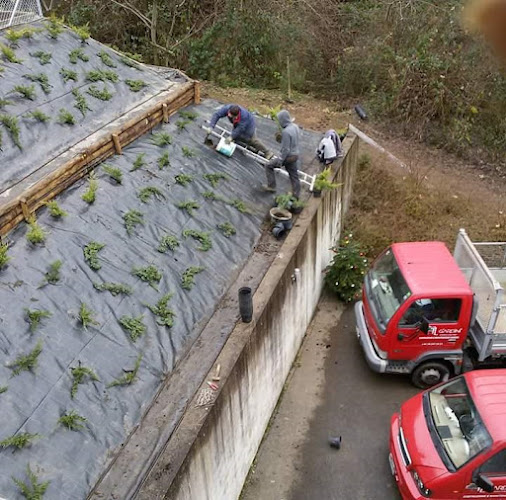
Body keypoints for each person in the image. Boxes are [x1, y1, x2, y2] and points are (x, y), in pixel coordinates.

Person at [207, 104, 273, 158]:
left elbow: (240, 128)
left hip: (248, 125)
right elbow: (217, 115)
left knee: (251, 139)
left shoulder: (244, 116)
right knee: (237, 137)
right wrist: (211, 126)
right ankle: (247, 144)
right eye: (229, 114)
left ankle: (267, 152)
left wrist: (231, 137)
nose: (229, 116)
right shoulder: (227, 108)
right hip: (237, 124)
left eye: (232, 116)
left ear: (236, 115)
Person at [263, 109, 301, 199]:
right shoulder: (295, 126)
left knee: (268, 165)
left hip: (288, 157)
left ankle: (271, 186)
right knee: (294, 175)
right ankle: (296, 195)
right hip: (295, 155)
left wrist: (280, 160)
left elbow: (286, 149)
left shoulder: (286, 132)